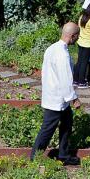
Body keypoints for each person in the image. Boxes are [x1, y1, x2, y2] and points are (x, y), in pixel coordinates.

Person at [30, 22, 82, 165]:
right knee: (47, 130)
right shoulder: (62, 54)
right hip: (57, 99)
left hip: (54, 95)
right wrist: (74, 98)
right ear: (72, 36)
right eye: (77, 36)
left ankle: (63, 155)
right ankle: (34, 159)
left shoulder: (52, 48)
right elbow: (65, 80)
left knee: (67, 122)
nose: (77, 39)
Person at [73, 1, 90, 88]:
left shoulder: (81, 16)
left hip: (80, 41)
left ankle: (75, 80)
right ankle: (82, 82)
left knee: (79, 61)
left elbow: (78, 28)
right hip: (88, 44)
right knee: (84, 63)